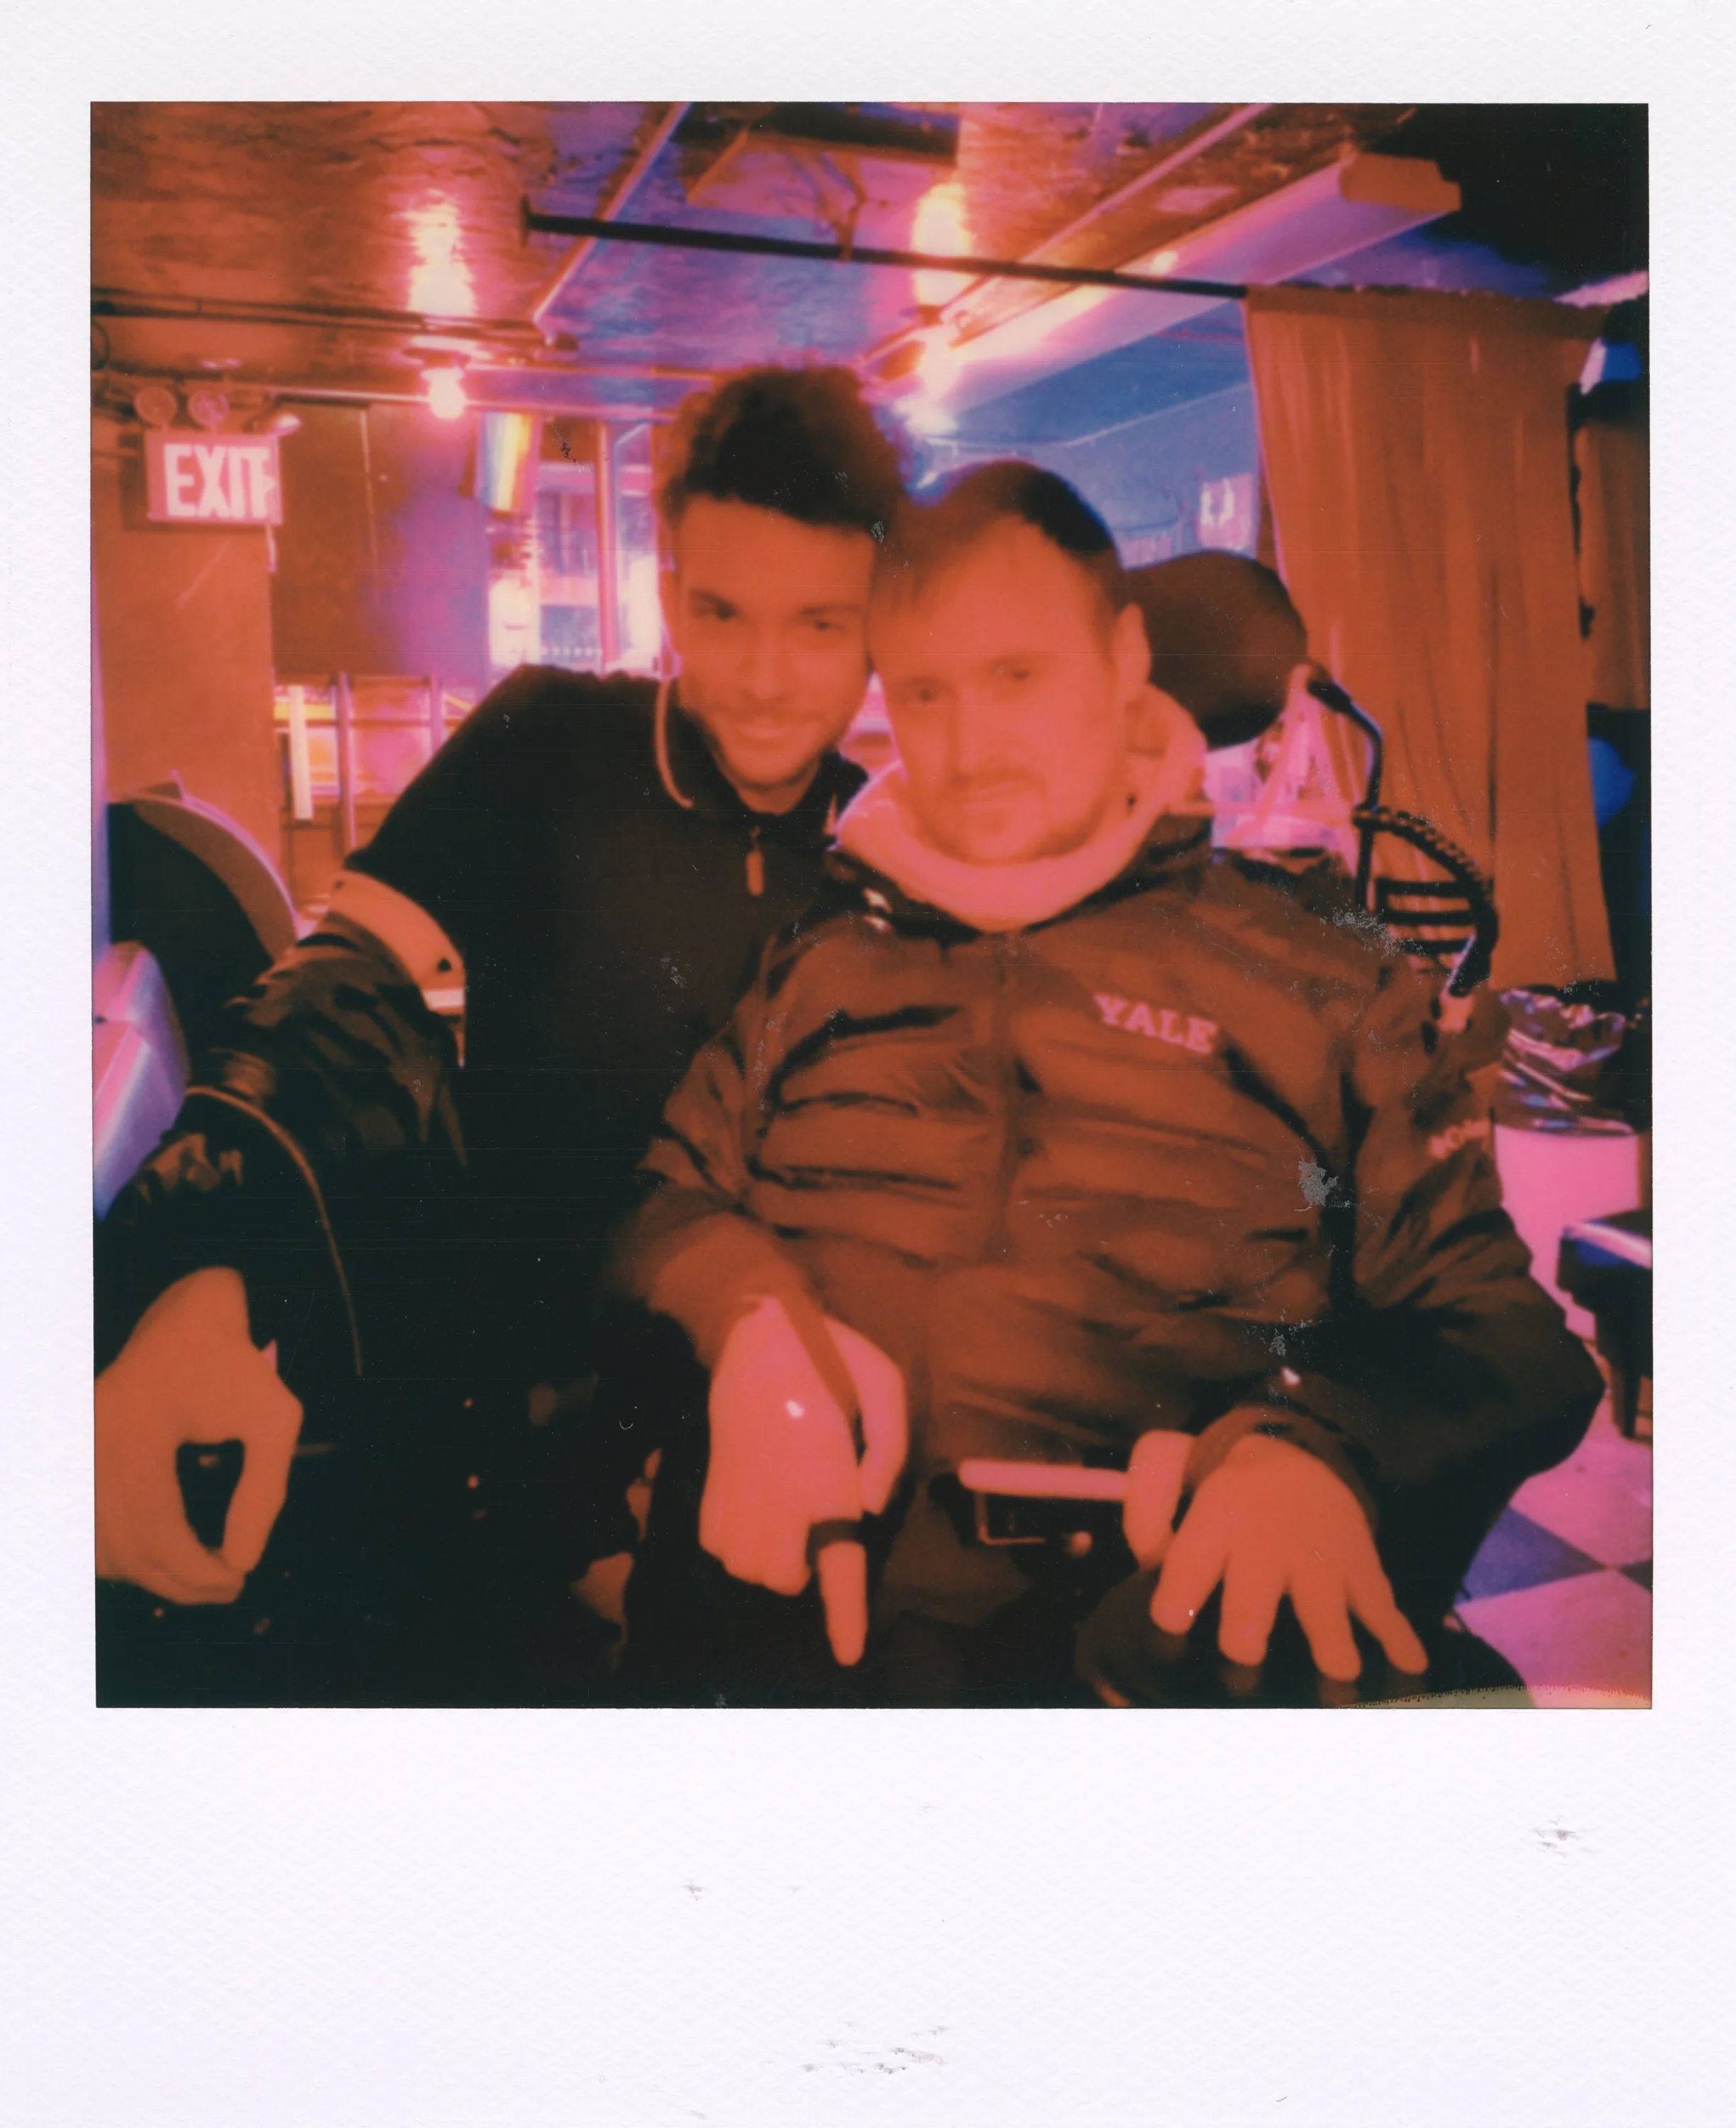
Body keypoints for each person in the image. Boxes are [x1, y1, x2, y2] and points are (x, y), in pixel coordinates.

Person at [606, 462, 1604, 1708]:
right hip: (761, 1653)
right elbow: (664, 1197)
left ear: (1125, 656)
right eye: (924, 691)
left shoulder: (1318, 978)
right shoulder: (823, 956)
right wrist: (745, 1323)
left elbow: (1506, 1342)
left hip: (1136, 1659)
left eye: (1015, 677)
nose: (967, 750)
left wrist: (1318, 1453)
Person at [94, 365, 907, 1703]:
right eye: (722, 612)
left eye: (820, 625)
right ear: (667, 598)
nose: (766, 679)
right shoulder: (547, 744)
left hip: (781, 1450)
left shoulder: (887, 847)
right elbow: (338, 999)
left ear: (877, 620)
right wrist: (207, 1266)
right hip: (514, 1450)